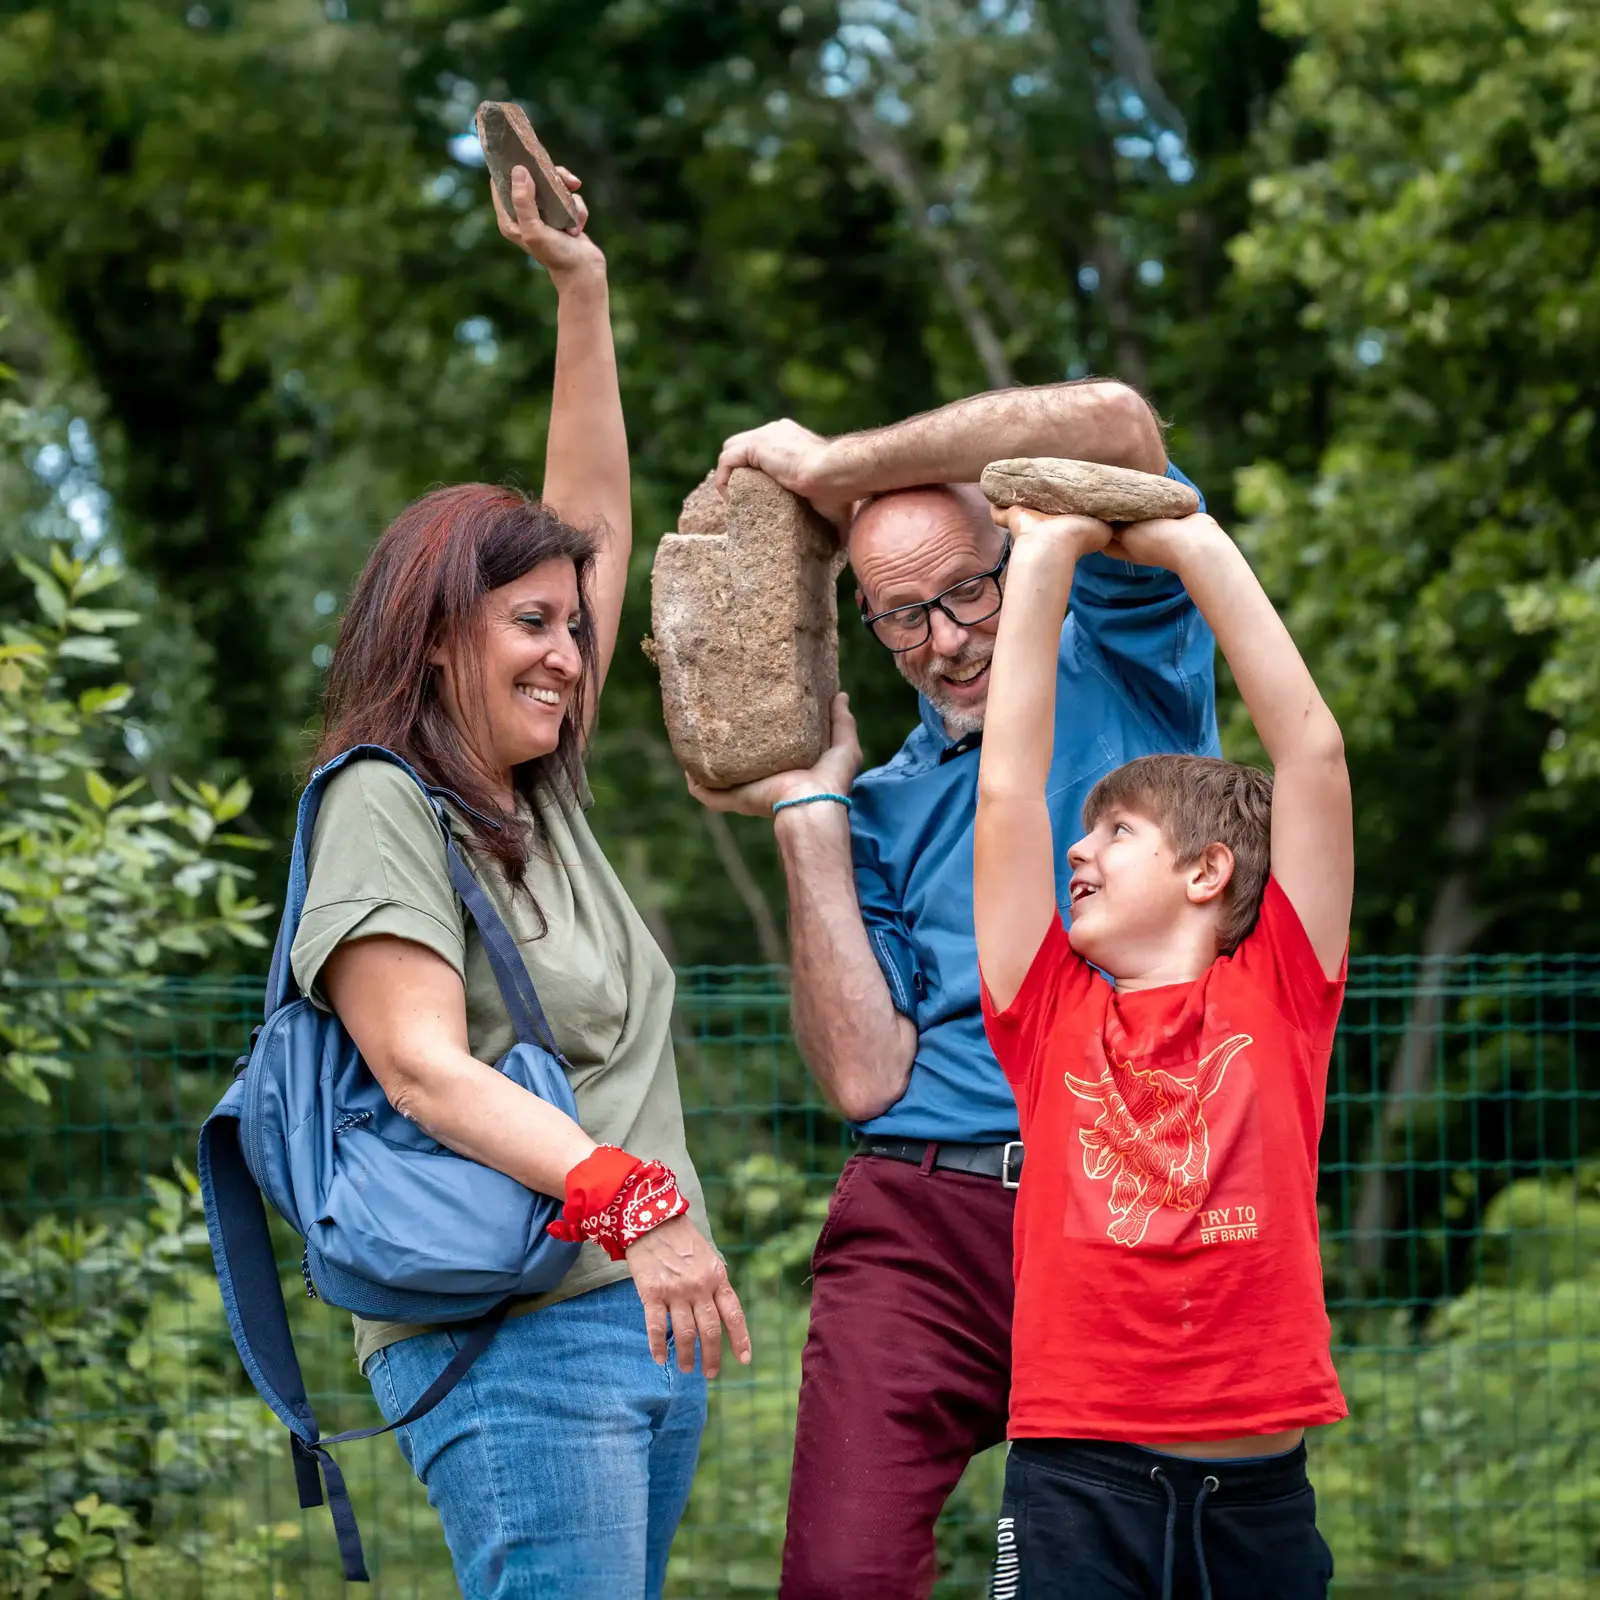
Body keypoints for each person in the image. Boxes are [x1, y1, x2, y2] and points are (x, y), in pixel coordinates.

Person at [288, 163, 749, 1600]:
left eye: (573, 626)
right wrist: (638, 1205)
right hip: (520, 1330)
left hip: (637, 1316)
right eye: (529, 624)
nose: (566, 650)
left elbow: (590, 517)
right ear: (439, 637)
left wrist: (581, 288)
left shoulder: (534, 794)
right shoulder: (381, 800)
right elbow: (420, 1070)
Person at [693, 391, 1219, 1596]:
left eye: (966, 592)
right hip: (921, 1217)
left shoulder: (1126, 659)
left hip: (1122, 1198)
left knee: (1109, 1574)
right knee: (841, 1576)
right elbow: (862, 1075)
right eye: (900, 616)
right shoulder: (876, 806)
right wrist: (809, 815)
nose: (944, 641)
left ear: (1018, 551)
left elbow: (1116, 421)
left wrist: (833, 467)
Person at [975, 500, 1351, 1598]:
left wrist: (1191, 543)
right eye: (1084, 832)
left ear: (1208, 870)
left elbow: (1313, 753)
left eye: (1117, 832)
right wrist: (1043, 555)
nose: (1077, 850)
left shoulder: (1282, 991)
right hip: (1075, 1482)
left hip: (1257, 1495)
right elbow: (1007, 790)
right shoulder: (1045, 1009)